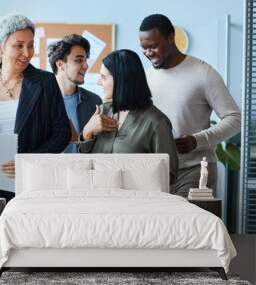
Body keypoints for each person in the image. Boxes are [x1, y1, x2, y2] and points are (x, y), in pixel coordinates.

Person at [0, 14, 71, 202]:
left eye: (31, 45)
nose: (27, 53)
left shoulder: (45, 82)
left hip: (32, 184)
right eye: (19, 45)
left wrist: (27, 161)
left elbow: (62, 134)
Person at [139, 14, 241, 197]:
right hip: (156, 172)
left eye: (153, 46)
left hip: (195, 170)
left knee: (189, 225)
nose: (148, 53)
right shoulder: (146, 76)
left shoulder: (204, 73)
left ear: (171, 37)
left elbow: (235, 119)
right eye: (144, 48)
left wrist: (196, 140)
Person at [79, 49, 178, 184]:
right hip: (98, 197)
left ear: (121, 80)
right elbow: (83, 165)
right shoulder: (102, 111)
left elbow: (168, 175)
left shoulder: (156, 122)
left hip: (136, 201)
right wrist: (87, 132)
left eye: (103, 77)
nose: (99, 82)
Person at [48, 34, 102, 152]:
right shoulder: (40, 101)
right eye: (79, 60)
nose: (86, 66)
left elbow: (100, 149)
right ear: (60, 64)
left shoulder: (95, 102)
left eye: (85, 60)